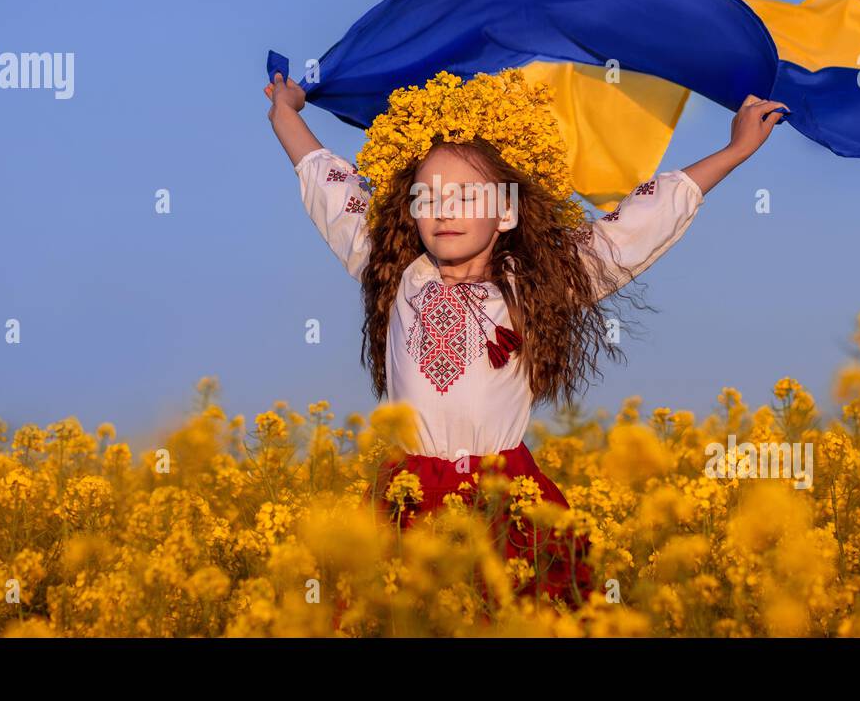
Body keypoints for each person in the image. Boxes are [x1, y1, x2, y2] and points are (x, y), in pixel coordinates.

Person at [266, 67, 787, 612]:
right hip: (406, 498)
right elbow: (330, 189)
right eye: (429, 196)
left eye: (468, 197)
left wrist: (734, 151)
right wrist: (285, 111)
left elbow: (635, 226)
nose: (445, 210)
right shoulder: (392, 272)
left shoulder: (536, 282)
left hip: (505, 499)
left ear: (507, 211)